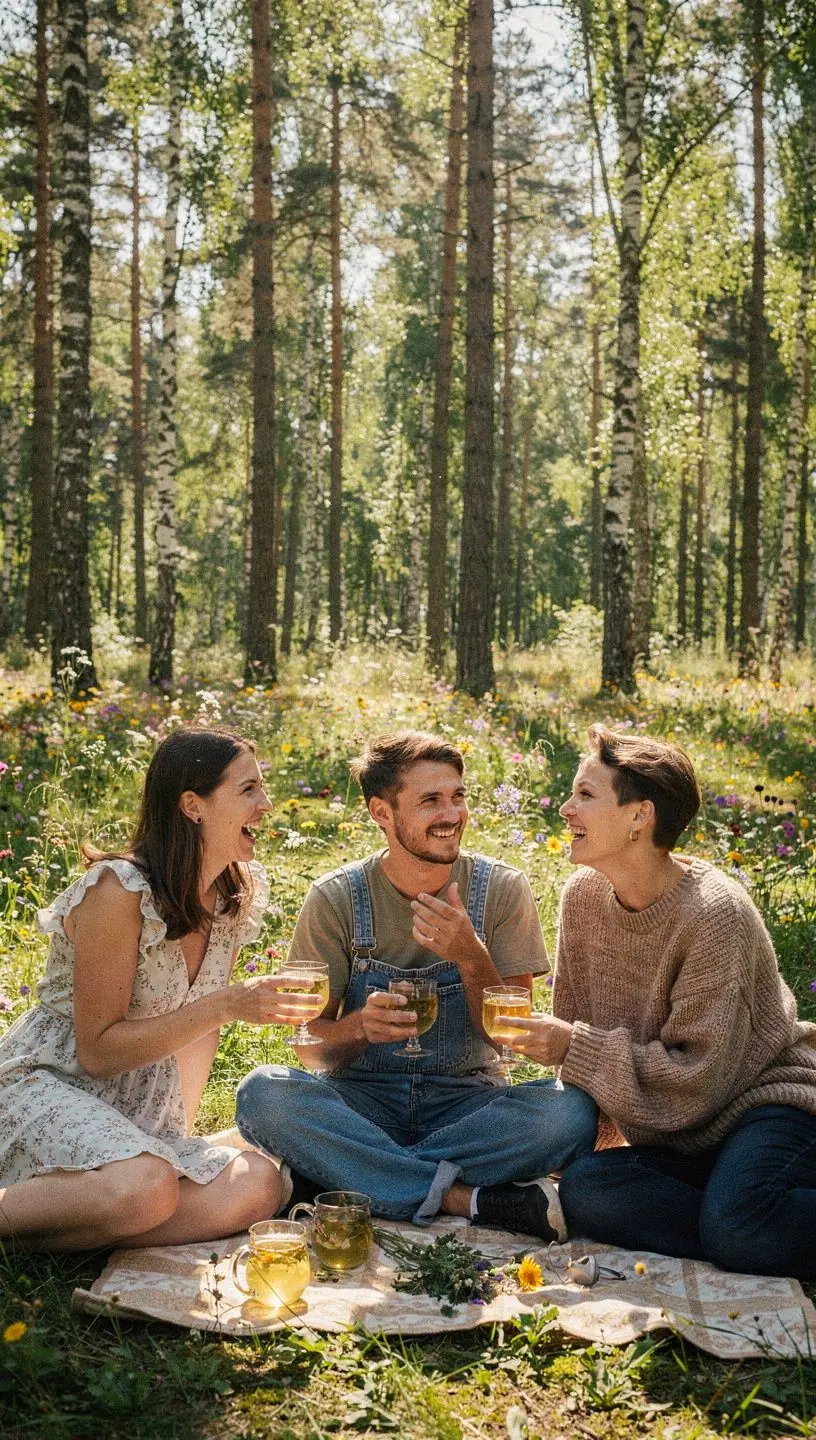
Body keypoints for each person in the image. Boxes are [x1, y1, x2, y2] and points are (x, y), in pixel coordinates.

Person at [236, 730, 597, 1237]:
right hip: (362, 1104)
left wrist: (471, 957)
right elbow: (312, 1052)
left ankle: (344, 1177)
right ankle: (464, 1199)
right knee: (262, 1094)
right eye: (431, 801)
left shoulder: (502, 890)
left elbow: (511, 1039)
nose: (452, 815)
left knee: (571, 1113)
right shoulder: (336, 898)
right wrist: (359, 1026)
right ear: (382, 812)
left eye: (458, 797)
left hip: (470, 1104)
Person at [504, 723, 816, 1279]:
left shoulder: (715, 914)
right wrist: (585, 1137)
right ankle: (743, 1222)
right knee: (586, 1189)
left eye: (585, 795)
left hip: (767, 1107)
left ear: (638, 817)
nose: (566, 809)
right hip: (680, 1136)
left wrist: (571, 1045)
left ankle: (745, 1222)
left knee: (739, 1228)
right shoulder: (582, 897)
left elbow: (698, 1079)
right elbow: (583, 1044)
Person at [0, 727, 302, 1252]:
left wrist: (175, 1137)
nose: (266, 804)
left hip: (140, 1102)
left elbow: (198, 1036)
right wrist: (227, 1003)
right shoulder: (118, 890)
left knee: (258, 1182)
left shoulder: (232, 897)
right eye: (248, 789)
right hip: (54, 1082)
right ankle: (102, 1209)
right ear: (193, 805)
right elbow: (96, 1051)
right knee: (147, 1186)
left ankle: (88, 1220)